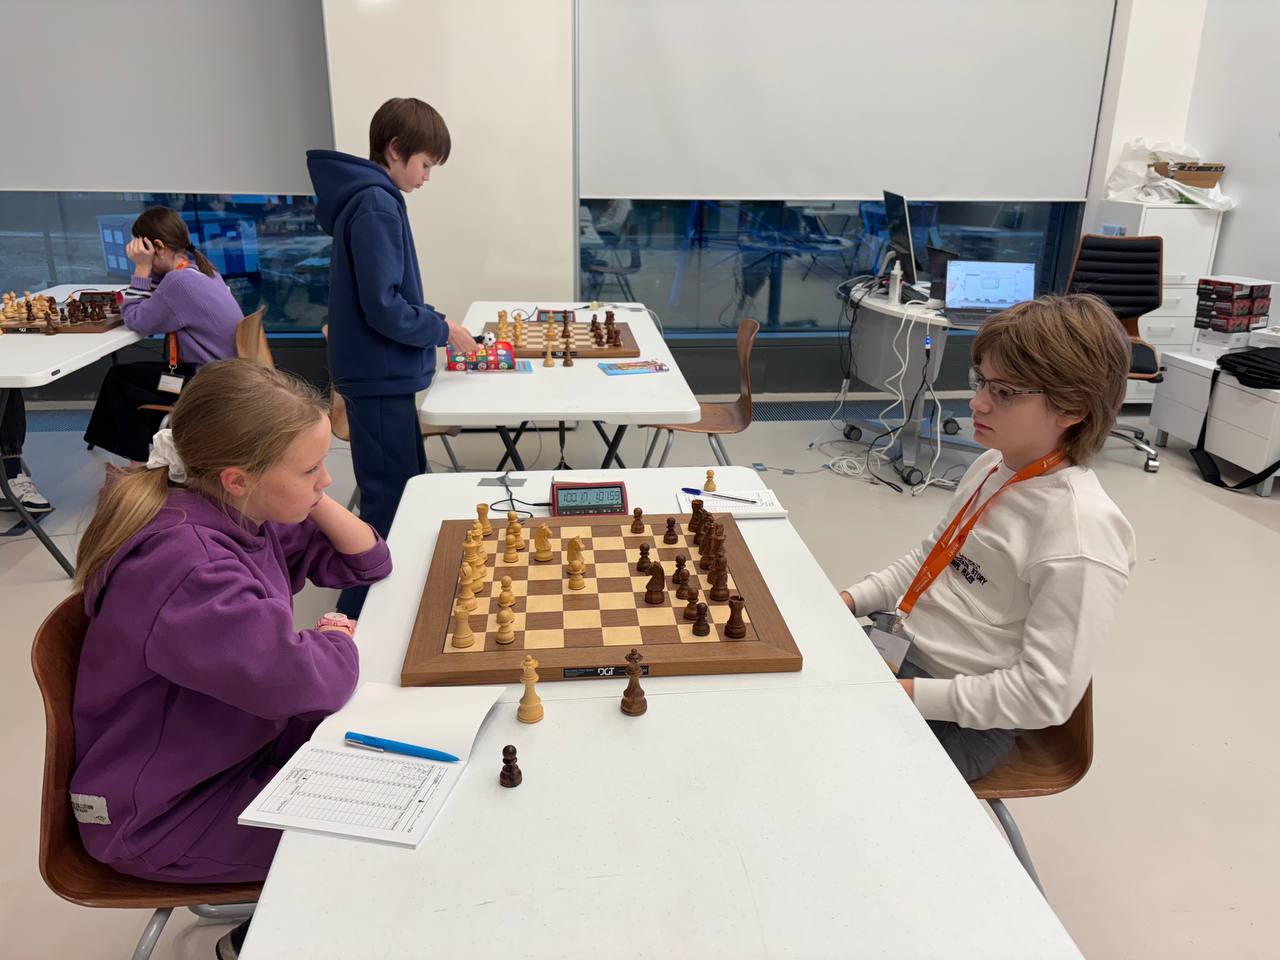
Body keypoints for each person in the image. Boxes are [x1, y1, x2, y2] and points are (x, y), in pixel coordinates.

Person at [70, 359, 391, 959]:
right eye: (310, 469)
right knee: (384, 841)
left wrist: (311, 494)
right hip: (165, 814)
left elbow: (367, 562)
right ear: (237, 477)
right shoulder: (189, 566)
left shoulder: (238, 511)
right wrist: (334, 637)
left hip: (229, 751)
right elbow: (305, 682)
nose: (326, 479)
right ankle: (251, 945)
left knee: (398, 758)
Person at [840, 294, 1137, 781]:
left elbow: (1044, 695)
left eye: (1006, 392)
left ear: (1073, 408)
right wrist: (848, 601)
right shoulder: (993, 464)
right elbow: (929, 559)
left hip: (962, 717)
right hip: (900, 653)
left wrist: (904, 695)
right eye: (981, 381)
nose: (977, 402)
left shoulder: (1082, 533)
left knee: (815, 757)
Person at [307, 97, 477, 617]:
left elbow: (384, 296)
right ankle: (356, 616)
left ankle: (392, 601)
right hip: (378, 376)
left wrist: (434, 320)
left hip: (378, 374)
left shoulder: (368, 199)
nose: (426, 177)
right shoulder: (376, 204)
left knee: (404, 488)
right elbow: (383, 307)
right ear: (396, 149)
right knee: (390, 502)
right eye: (425, 164)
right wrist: (441, 328)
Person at [82, 206, 244, 462]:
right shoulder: (203, 271)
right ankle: (142, 453)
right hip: (226, 374)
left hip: (204, 383)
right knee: (133, 375)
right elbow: (161, 294)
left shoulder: (179, 283)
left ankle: (135, 465)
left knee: (120, 379)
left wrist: (141, 269)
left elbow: (136, 320)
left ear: (157, 246)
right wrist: (149, 268)